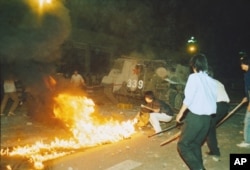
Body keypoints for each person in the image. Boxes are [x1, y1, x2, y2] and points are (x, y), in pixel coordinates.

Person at [176, 54, 217, 170]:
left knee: (183, 145)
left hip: (195, 118)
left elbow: (189, 98)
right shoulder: (211, 81)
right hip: (207, 119)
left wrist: (180, 113)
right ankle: (200, 167)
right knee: (195, 144)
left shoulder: (193, 78)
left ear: (193, 65)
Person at [206, 68, 230, 161]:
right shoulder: (218, 82)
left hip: (217, 105)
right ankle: (214, 150)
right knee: (210, 127)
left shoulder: (207, 83)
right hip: (225, 107)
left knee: (209, 129)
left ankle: (215, 152)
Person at [237, 51, 250, 148]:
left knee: (247, 120)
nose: (241, 66)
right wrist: (246, 97)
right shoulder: (247, 74)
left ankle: (247, 141)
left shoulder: (248, 75)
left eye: (242, 64)